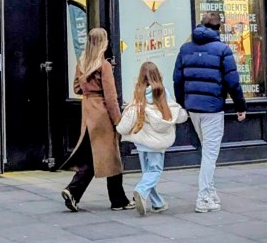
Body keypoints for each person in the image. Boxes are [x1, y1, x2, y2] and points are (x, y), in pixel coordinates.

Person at [173, 11, 246, 213]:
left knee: (207, 151)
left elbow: (177, 80)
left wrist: (183, 104)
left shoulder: (185, 48)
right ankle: (203, 198)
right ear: (218, 28)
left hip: (193, 108)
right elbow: (232, 82)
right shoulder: (222, 50)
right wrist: (240, 106)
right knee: (210, 154)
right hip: (213, 108)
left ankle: (211, 193)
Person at [61, 27, 132, 212]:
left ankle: (73, 191)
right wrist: (118, 121)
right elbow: (111, 97)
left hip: (88, 112)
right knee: (112, 156)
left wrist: (88, 91)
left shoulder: (82, 63)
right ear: (103, 42)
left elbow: (76, 88)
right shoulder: (104, 65)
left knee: (94, 156)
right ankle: (118, 200)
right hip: (102, 113)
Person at [116, 60, 187, 216]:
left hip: (141, 142)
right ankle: (141, 190)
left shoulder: (138, 93)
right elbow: (171, 114)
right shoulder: (163, 92)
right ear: (157, 75)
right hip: (156, 142)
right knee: (154, 172)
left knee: (147, 174)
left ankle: (158, 203)